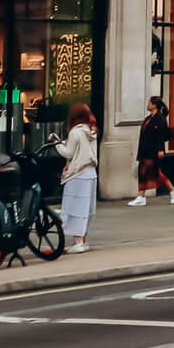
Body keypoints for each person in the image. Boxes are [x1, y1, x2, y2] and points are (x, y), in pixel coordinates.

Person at [59, 103, 100, 253]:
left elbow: (68, 153)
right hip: (91, 172)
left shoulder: (75, 133)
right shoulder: (92, 131)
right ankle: (83, 241)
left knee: (74, 207)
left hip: (77, 173)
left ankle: (78, 243)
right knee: (86, 209)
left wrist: (57, 144)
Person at [130, 95, 174, 207]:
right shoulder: (149, 118)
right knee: (143, 173)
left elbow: (160, 135)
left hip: (153, 150)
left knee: (155, 173)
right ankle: (141, 196)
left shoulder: (159, 118)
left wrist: (160, 149)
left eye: (149, 103)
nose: (148, 105)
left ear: (154, 105)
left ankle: (173, 190)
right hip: (145, 150)